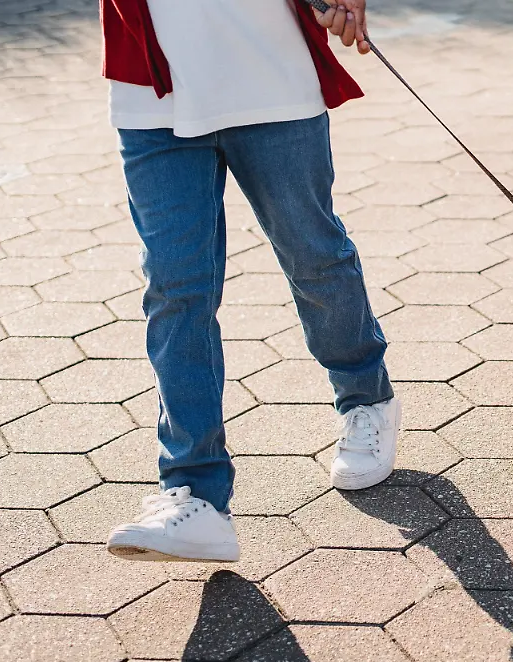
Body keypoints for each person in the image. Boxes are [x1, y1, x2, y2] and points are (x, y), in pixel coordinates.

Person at [100, 0, 396, 563]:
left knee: (313, 257)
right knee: (175, 289)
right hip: (153, 94)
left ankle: (366, 398)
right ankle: (195, 494)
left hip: (270, 76)